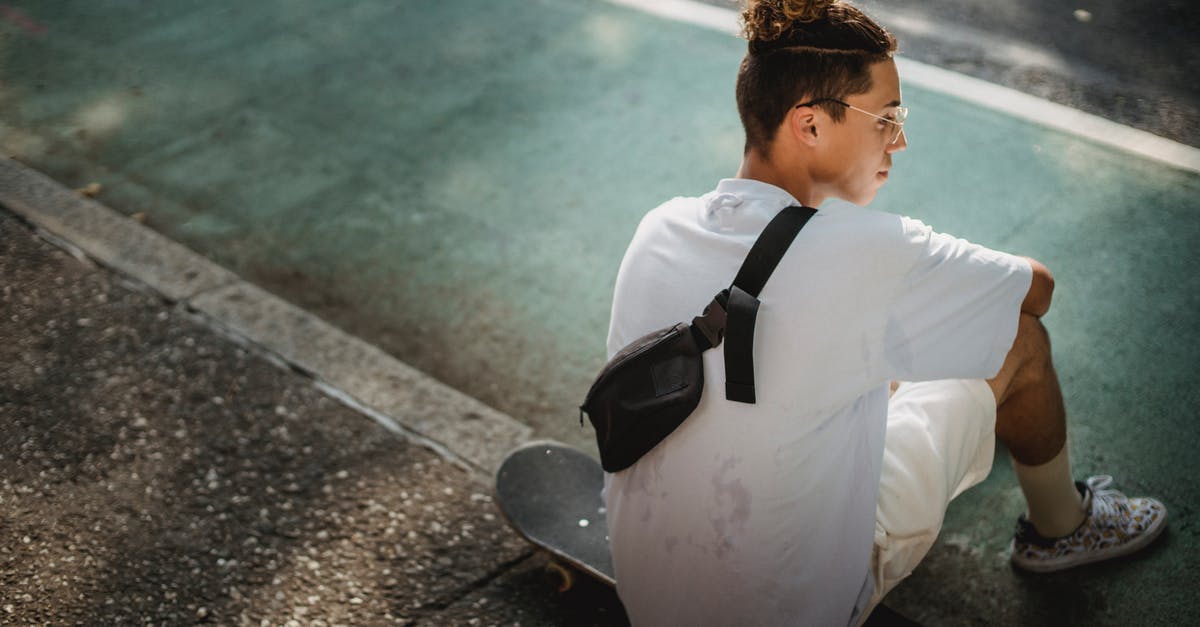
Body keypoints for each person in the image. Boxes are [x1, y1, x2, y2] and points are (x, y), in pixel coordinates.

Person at [600, 0, 1168, 624]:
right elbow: (1036, 290)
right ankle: (1064, 528)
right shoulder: (868, 252)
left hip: (649, 595)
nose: (900, 139)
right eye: (887, 118)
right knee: (1017, 341)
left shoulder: (658, 226)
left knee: (854, 349)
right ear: (810, 125)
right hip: (796, 609)